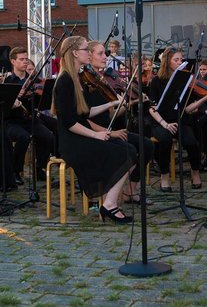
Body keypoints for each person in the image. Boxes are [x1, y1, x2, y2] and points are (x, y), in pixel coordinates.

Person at [51, 36, 137, 223]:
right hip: (72, 141)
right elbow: (68, 122)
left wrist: (112, 103)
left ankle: (109, 203)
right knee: (126, 153)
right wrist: (96, 134)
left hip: (81, 136)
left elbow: (85, 112)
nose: (88, 54)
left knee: (130, 150)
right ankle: (110, 205)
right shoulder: (65, 80)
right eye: (84, 50)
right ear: (75, 53)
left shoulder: (75, 79)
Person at [82, 40, 154, 204]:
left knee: (147, 145)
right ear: (89, 55)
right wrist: (108, 132)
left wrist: (129, 103)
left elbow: (112, 113)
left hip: (108, 128)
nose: (105, 57)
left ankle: (130, 192)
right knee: (127, 151)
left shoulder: (101, 80)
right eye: (100, 53)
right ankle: (104, 195)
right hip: (94, 133)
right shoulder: (84, 82)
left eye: (105, 53)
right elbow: (83, 118)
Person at [148, 47, 202, 191]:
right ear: (167, 62)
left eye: (181, 60)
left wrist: (201, 102)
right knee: (164, 140)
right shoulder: (156, 81)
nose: (180, 62)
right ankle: (164, 175)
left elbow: (188, 108)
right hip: (161, 121)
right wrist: (164, 124)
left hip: (179, 120)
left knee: (191, 142)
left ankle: (195, 172)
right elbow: (151, 108)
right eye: (176, 60)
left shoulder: (184, 80)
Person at [4, 47, 54, 183]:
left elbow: (40, 101)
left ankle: (39, 168)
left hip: (29, 118)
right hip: (12, 121)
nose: (25, 62)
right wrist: (13, 97)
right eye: (21, 59)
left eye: (26, 59)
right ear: (13, 61)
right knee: (23, 137)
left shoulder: (33, 80)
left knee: (47, 136)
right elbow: (5, 107)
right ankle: (15, 171)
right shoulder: (8, 81)